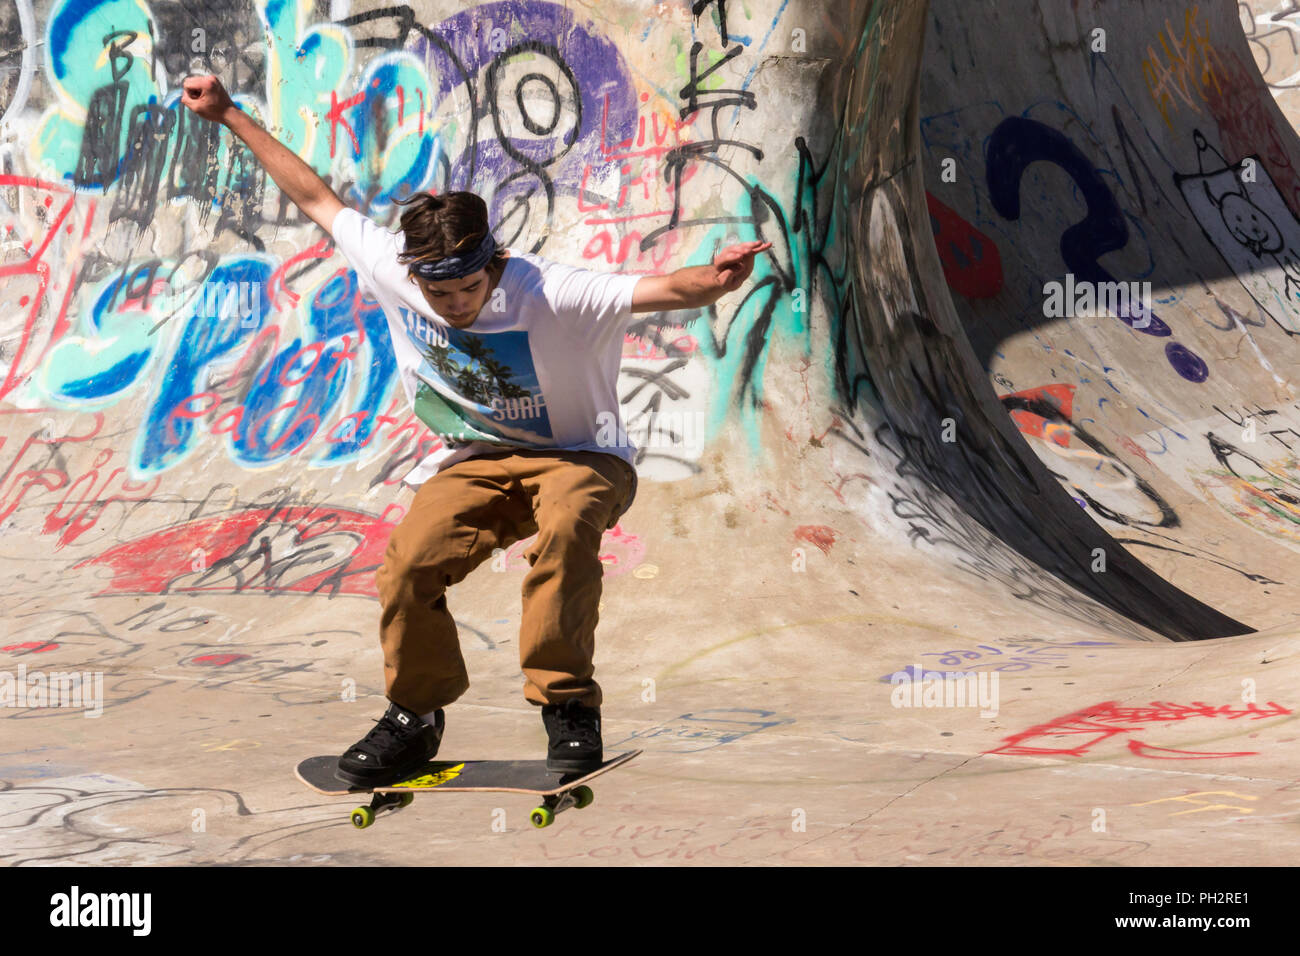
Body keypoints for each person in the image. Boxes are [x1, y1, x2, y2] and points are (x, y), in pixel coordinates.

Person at [180, 74, 771, 783]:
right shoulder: (392, 269)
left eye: (470, 288)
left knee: (567, 527)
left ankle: (568, 703)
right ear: (415, 275)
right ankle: (415, 715)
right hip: (476, 461)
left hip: (582, 457)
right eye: (440, 293)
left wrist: (716, 278)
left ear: (492, 264)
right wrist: (226, 114)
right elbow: (313, 195)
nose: (457, 304)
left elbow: (666, 289)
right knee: (407, 566)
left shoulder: (553, 291)